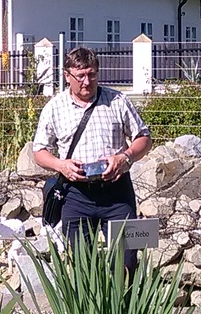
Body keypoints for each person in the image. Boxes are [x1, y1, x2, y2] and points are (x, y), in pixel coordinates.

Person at [32, 47, 153, 260]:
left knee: (127, 261)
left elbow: (144, 138)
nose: (87, 81)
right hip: (75, 195)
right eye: (80, 76)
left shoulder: (117, 101)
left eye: (92, 74)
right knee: (82, 265)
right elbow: (39, 151)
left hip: (118, 194)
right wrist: (61, 166)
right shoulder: (54, 108)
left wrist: (124, 158)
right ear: (67, 76)